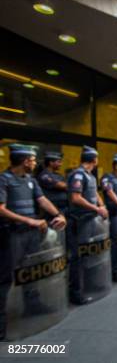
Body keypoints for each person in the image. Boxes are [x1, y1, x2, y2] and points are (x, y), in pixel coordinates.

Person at [0, 144, 66, 340]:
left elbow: (42, 199)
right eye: (32, 159)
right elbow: (1, 209)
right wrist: (29, 220)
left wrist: (58, 214)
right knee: (6, 277)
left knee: (30, 269)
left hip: (31, 232)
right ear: (24, 160)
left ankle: (32, 305)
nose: (35, 162)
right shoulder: (4, 179)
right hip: (11, 233)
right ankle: (2, 321)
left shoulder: (30, 180)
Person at [66, 145, 109, 304]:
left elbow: (95, 193)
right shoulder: (78, 175)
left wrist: (102, 205)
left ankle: (89, 285)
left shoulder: (89, 176)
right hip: (80, 220)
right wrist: (97, 208)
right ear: (94, 160)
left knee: (90, 254)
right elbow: (76, 198)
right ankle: (76, 292)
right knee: (79, 257)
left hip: (90, 220)